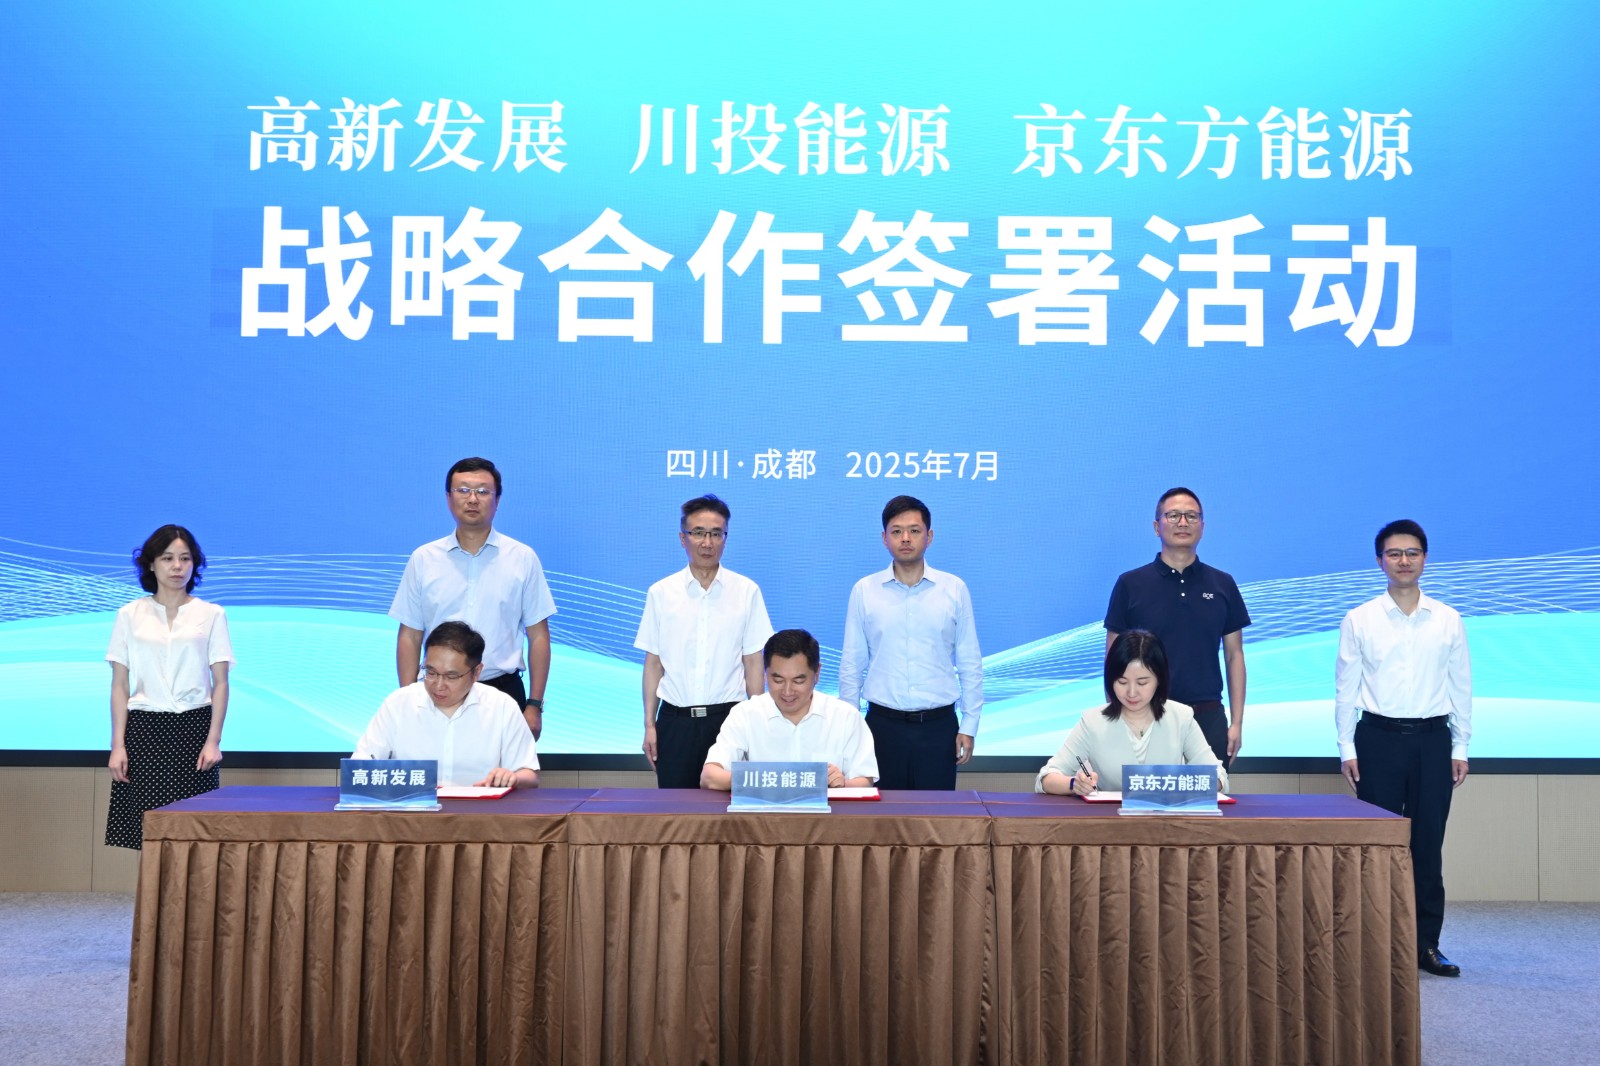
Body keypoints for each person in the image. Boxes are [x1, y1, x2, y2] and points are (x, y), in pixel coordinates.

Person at [1335, 519, 1471, 978]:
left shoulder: (1448, 619)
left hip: (1433, 741)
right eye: (1394, 553)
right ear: (1380, 561)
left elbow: (1461, 685)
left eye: (1412, 552)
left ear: (1425, 559)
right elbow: (1346, 689)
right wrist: (1346, 747)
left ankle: (1426, 945)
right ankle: (1376, 944)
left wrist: (1461, 745)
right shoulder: (1359, 619)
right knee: (1377, 846)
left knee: (1428, 846)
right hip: (1378, 740)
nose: (1404, 561)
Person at [390, 457, 556, 739]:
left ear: (497, 500)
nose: (472, 499)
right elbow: (410, 635)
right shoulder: (424, 559)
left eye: (482, 491)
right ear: (448, 498)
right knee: (437, 766)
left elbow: (538, 636)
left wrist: (534, 705)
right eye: (463, 490)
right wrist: (408, 698)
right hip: (436, 691)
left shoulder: (522, 558)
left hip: (502, 690)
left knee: (504, 767)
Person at [838, 495, 983, 790]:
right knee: (882, 816)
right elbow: (852, 665)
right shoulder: (864, 591)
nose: (906, 538)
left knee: (936, 815)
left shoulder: (954, 589)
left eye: (914, 531)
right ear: (884, 538)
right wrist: (849, 729)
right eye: (897, 531)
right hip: (882, 727)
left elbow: (970, 662)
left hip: (939, 728)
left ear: (929, 536)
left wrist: (969, 724)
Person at [105, 524, 233, 849]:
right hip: (144, 730)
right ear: (151, 564)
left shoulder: (211, 614)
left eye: (185, 558)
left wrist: (213, 740)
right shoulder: (129, 614)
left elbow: (220, 683)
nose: (177, 566)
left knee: (195, 833)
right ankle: (151, 887)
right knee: (148, 833)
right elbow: (119, 685)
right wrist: (117, 745)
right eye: (167, 558)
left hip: (194, 728)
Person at [1104, 487, 1250, 767]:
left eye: (1191, 516)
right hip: (1147, 715)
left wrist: (1237, 723)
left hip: (1207, 716)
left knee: (1209, 795)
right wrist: (1117, 717)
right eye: (1173, 515)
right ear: (1156, 527)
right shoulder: (1130, 584)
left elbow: (1235, 656)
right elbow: (1113, 657)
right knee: (1146, 795)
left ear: (1202, 527)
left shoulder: (1223, 584)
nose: (1183, 522)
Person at [636, 494, 773, 788]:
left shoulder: (747, 591)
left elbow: (753, 663)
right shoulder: (661, 593)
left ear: (725, 538)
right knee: (677, 811)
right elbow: (653, 664)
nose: (707, 542)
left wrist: (757, 725)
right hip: (675, 723)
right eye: (698, 532)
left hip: (728, 721)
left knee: (731, 809)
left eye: (716, 534)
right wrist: (649, 724)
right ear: (682, 538)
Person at [1037, 629, 1228, 795]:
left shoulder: (1181, 717)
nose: (1131, 692)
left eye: (1142, 682)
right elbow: (1046, 778)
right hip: (1110, 822)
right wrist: (1074, 784)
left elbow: (1219, 777)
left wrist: (1181, 785)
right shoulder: (1093, 721)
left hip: (1167, 820)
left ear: (1159, 679)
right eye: (1122, 682)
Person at [354, 621, 539, 789]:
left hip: (481, 813)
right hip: (412, 812)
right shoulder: (398, 703)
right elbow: (359, 766)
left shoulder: (502, 706)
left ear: (476, 672)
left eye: (451, 676)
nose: (438, 685)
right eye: (431, 672)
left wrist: (513, 777)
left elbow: (529, 775)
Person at [701, 629, 879, 790]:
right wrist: (755, 780)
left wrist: (842, 784)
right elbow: (709, 776)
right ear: (765, 673)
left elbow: (865, 781)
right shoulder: (745, 714)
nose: (787, 691)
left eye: (798, 681)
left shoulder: (846, 716)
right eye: (778, 680)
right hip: (762, 815)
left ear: (817, 674)